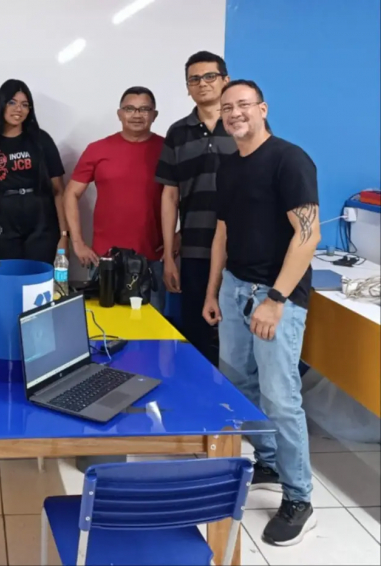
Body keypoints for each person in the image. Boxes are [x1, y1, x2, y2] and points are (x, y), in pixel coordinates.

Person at [204, 80, 320, 546]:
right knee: (238, 381)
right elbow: (222, 233)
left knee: (279, 395)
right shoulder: (229, 165)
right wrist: (213, 292)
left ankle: (300, 497)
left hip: (277, 296)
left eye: (243, 105)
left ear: (263, 108)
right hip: (234, 289)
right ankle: (269, 459)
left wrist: (275, 299)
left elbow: (306, 235)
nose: (235, 113)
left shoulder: (290, 160)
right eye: (227, 108)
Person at [155, 51, 236, 364]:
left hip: (241, 253)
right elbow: (169, 195)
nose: (202, 84)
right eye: (194, 79)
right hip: (195, 251)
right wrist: (168, 257)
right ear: (187, 87)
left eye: (209, 77)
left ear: (225, 80)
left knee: (235, 339)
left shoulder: (243, 125)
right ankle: (203, 406)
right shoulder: (178, 132)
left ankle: (236, 409)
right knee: (197, 335)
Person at [64, 86, 167, 313]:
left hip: (152, 259)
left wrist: (180, 236)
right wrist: (78, 243)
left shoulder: (168, 150)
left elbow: (186, 196)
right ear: (119, 114)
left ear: (154, 114)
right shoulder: (98, 149)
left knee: (152, 333)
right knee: (104, 332)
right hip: (105, 260)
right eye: (130, 109)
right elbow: (70, 193)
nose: (137, 115)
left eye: (144, 109)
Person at [0, 79, 67, 263]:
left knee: (39, 277)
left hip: (41, 218)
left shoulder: (41, 139)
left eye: (25, 105)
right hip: (1, 219)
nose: (18, 109)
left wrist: (64, 234)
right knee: (8, 276)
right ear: (1, 104)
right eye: (12, 102)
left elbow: (58, 190)